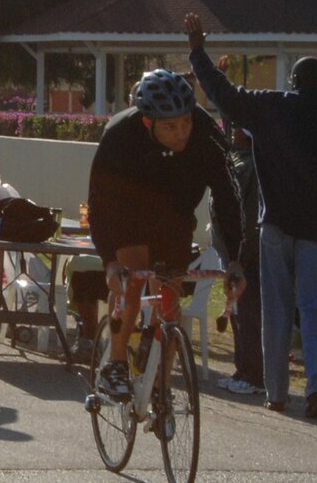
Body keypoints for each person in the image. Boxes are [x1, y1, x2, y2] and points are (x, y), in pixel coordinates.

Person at [185, 14, 317, 419]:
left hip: (276, 226)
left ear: (293, 83)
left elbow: (222, 93)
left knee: (276, 310)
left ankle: (277, 393)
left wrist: (198, 51)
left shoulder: (271, 108)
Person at [85, 69, 244, 405]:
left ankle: (162, 387)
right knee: (132, 277)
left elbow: (229, 198)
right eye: (170, 126)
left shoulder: (205, 134)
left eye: (185, 122)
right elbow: (99, 204)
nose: (181, 132)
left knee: (170, 302)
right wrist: (109, 262)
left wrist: (236, 260)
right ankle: (114, 364)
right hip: (126, 215)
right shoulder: (119, 136)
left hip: (174, 218)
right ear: (148, 122)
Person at [216, 125, 265, 396]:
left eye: (239, 128)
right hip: (232, 251)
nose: (233, 130)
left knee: (248, 313)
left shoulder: (254, 165)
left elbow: (247, 213)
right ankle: (242, 369)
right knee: (236, 311)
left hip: (245, 254)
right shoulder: (237, 158)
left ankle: (254, 375)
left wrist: (241, 254)